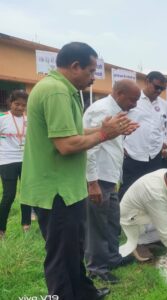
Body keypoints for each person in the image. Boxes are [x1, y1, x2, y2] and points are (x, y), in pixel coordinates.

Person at [20, 42, 137, 300]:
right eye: (91, 70)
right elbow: (66, 145)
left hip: (68, 188)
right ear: (75, 66)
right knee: (61, 255)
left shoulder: (64, 90)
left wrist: (103, 130)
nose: (93, 77)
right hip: (55, 190)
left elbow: (72, 133)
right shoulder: (56, 92)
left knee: (74, 248)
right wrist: (106, 134)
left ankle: (84, 292)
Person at [83, 80, 141, 284]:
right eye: (132, 99)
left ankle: (112, 258)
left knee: (111, 221)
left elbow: (109, 140)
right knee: (97, 224)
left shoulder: (117, 111)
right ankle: (96, 267)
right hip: (98, 177)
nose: (134, 104)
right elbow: (90, 147)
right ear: (119, 93)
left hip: (110, 175)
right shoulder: (102, 110)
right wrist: (92, 182)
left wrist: (122, 135)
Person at [119, 71, 167, 200]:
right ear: (147, 81)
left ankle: (147, 219)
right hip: (132, 155)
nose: (159, 91)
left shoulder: (164, 105)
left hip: (154, 156)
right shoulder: (133, 99)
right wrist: (121, 145)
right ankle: (123, 218)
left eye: (162, 89)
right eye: (156, 87)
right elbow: (116, 121)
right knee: (128, 190)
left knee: (152, 190)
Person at [0, 90, 31, 238]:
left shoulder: (28, 120)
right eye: (16, 104)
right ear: (10, 103)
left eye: (23, 105)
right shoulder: (2, 118)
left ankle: (26, 225)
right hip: (7, 161)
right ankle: (1, 229)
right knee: (9, 195)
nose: (19, 107)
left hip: (26, 161)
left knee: (26, 194)